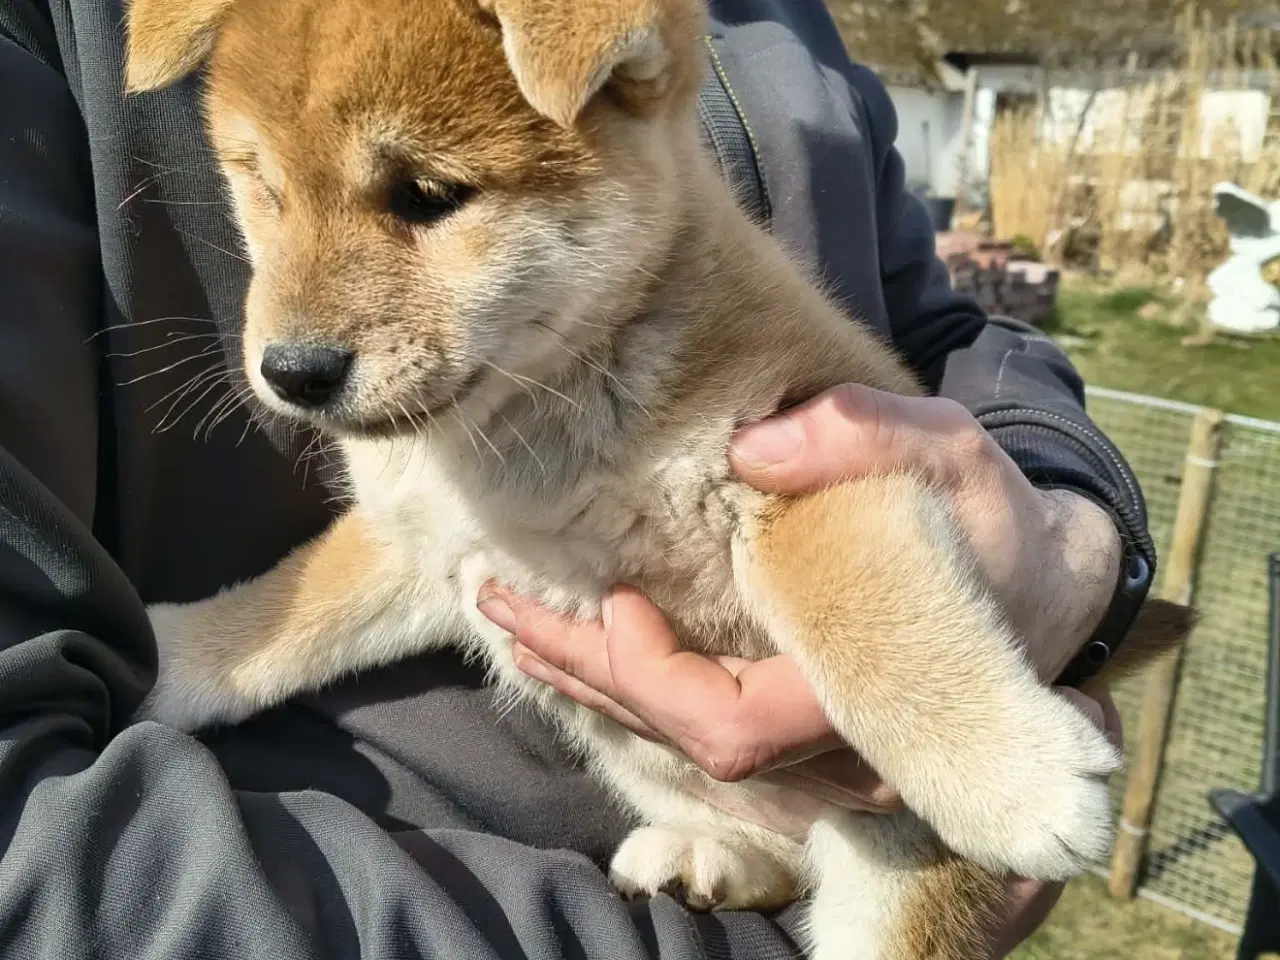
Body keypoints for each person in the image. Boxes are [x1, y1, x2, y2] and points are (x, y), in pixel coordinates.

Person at [0, 0, 1152, 956]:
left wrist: (1072, 543)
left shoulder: (760, 33)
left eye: (428, 198)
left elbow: (851, 448)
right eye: (261, 184)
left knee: (901, 858)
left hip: (865, 823)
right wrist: (204, 657)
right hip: (390, 895)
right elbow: (412, 546)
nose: (297, 322)